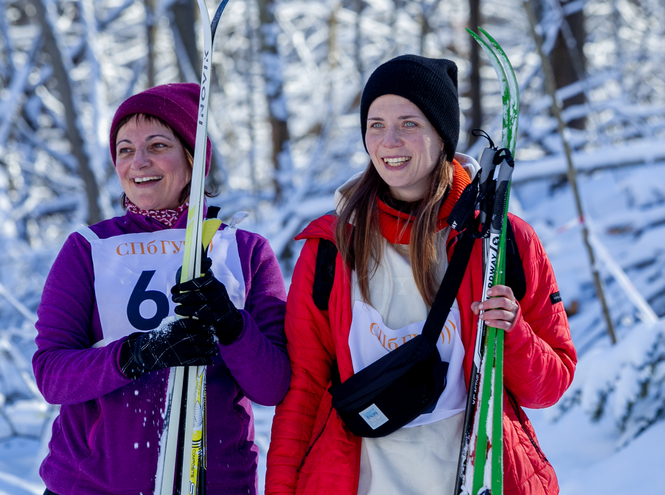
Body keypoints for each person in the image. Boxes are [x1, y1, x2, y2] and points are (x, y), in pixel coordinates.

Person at [265, 55, 577, 495]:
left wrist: (513, 332)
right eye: (375, 124)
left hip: (477, 479)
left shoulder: (502, 241)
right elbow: (304, 390)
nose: (388, 140)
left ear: (442, 134)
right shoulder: (332, 249)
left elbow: (550, 386)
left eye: (409, 123)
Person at [32, 82, 290, 495]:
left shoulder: (243, 251)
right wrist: (136, 353)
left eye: (157, 145)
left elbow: (274, 386)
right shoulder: (88, 249)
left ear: (193, 157)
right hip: (91, 485)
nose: (139, 162)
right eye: (125, 150)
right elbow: (52, 375)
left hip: (213, 484)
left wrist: (231, 325)